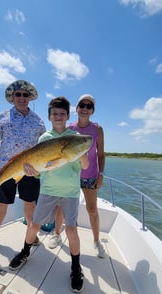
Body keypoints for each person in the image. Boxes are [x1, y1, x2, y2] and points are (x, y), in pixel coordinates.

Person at [9, 96, 89, 293]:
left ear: (67, 116)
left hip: (70, 191)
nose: (59, 117)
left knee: (71, 230)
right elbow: (40, 169)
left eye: (62, 114)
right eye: (55, 114)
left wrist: (82, 152)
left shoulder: (76, 137)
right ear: (50, 116)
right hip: (48, 190)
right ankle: (25, 252)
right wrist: (32, 171)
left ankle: (76, 267)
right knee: (34, 224)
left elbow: (86, 166)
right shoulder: (44, 138)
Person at [0, 80, 46, 255]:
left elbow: (44, 147)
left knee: (30, 203)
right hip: (7, 169)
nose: (22, 98)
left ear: (30, 98)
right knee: (1, 203)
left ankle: (31, 234)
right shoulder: (3, 117)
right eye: (18, 94)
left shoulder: (38, 121)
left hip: (31, 171)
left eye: (26, 95)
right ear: (12, 97)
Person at [48, 94, 106, 258]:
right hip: (71, 175)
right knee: (61, 207)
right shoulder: (69, 129)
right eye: (82, 105)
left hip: (90, 175)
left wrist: (101, 174)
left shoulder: (97, 129)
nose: (85, 109)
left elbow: (100, 155)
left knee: (92, 209)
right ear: (77, 108)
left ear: (92, 111)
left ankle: (96, 241)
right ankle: (57, 234)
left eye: (89, 106)